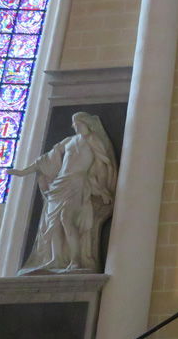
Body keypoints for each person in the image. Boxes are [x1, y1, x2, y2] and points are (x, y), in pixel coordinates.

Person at [9, 113, 117, 275]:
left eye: (77, 123)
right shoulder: (68, 141)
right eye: (74, 123)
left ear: (86, 123)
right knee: (52, 224)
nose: (75, 126)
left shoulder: (92, 141)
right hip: (59, 184)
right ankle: (56, 258)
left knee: (66, 219)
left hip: (77, 183)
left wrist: (101, 189)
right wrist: (21, 172)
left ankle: (76, 260)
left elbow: (102, 165)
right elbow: (44, 160)